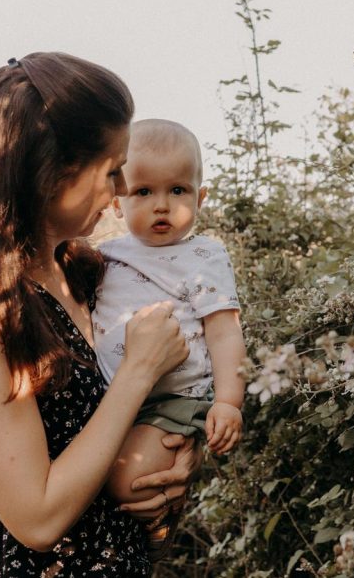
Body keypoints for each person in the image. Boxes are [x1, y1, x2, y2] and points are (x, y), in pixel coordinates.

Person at [0, 53, 200, 576]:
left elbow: (120, 428)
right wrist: (138, 371)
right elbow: (36, 520)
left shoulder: (87, 274)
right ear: (51, 176)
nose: (124, 192)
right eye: (112, 171)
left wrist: (178, 457)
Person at [92, 119, 246, 555]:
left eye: (177, 191)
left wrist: (228, 401)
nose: (162, 205)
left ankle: (157, 537)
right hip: (116, 397)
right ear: (117, 202)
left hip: (173, 400)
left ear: (200, 198)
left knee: (128, 482)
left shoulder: (204, 256)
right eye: (143, 192)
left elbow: (224, 332)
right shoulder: (104, 256)